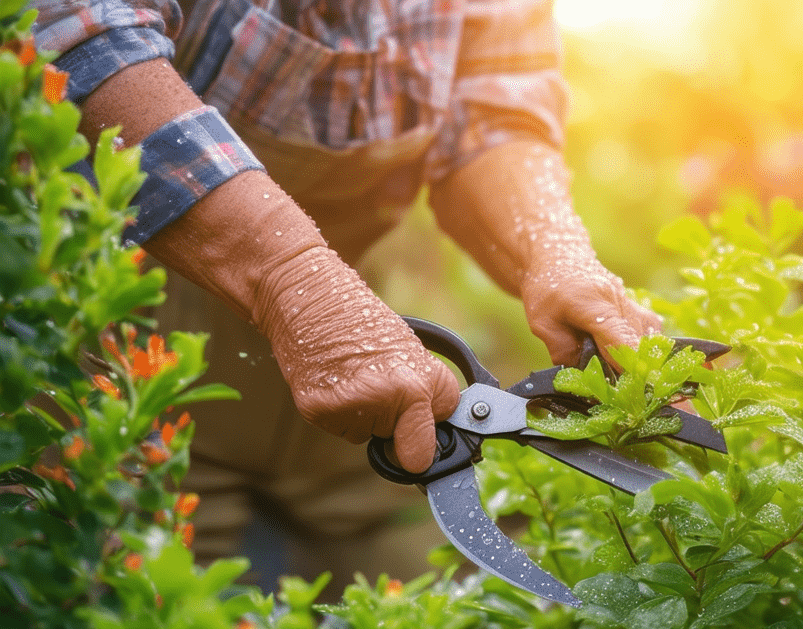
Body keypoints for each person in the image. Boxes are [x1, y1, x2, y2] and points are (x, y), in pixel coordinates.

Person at [30, 0, 660, 595]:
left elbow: (493, 111)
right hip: (114, 369)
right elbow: (78, 40)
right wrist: (293, 282)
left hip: (368, 372)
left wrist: (553, 254)